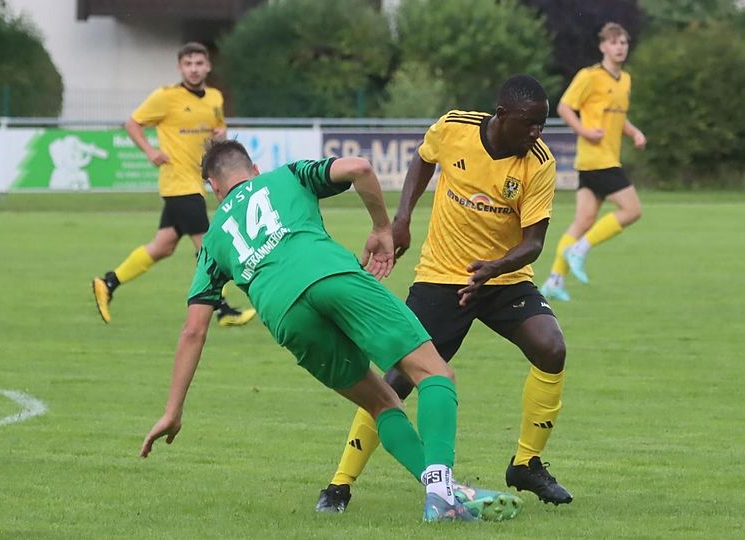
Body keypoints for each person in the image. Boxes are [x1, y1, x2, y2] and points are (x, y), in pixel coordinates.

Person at [139, 140, 522, 523]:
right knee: (435, 373)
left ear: (214, 188)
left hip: (284, 315)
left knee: (381, 403)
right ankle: (442, 494)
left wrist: (173, 411)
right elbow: (359, 168)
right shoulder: (286, 175)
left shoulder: (213, 240)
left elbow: (193, 330)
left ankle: (445, 492)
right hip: (332, 276)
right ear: (253, 169)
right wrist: (381, 228)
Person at [315, 74, 572, 514]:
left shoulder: (538, 162)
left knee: (551, 348)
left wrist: (494, 268)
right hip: (442, 277)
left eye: (543, 124)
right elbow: (423, 159)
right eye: (530, 123)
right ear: (502, 115)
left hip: (503, 278)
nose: (538, 133)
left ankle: (526, 463)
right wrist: (403, 218)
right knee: (397, 379)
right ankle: (340, 484)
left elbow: (533, 242)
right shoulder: (455, 127)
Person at [91, 42, 255, 326]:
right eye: (188, 64)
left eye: (199, 63)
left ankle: (108, 283)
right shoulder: (165, 97)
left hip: (196, 181)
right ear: (180, 67)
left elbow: (216, 132)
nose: (194, 69)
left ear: (208, 66)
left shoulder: (215, 97)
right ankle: (223, 310)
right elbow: (132, 123)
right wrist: (150, 151)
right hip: (178, 183)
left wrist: (221, 133)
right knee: (209, 247)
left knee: (163, 246)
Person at [540, 23, 647, 302]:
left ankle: (554, 279)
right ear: (602, 47)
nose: (619, 47)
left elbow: (618, 115)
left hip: (603, 159)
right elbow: (564, 106)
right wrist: (585, 131)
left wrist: (633, 132)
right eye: (614, 43)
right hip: (596, 159)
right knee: (632, 209)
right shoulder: (589, 76)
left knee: (583, 220)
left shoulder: (625, 80)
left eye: (623, 42)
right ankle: (580, 250)